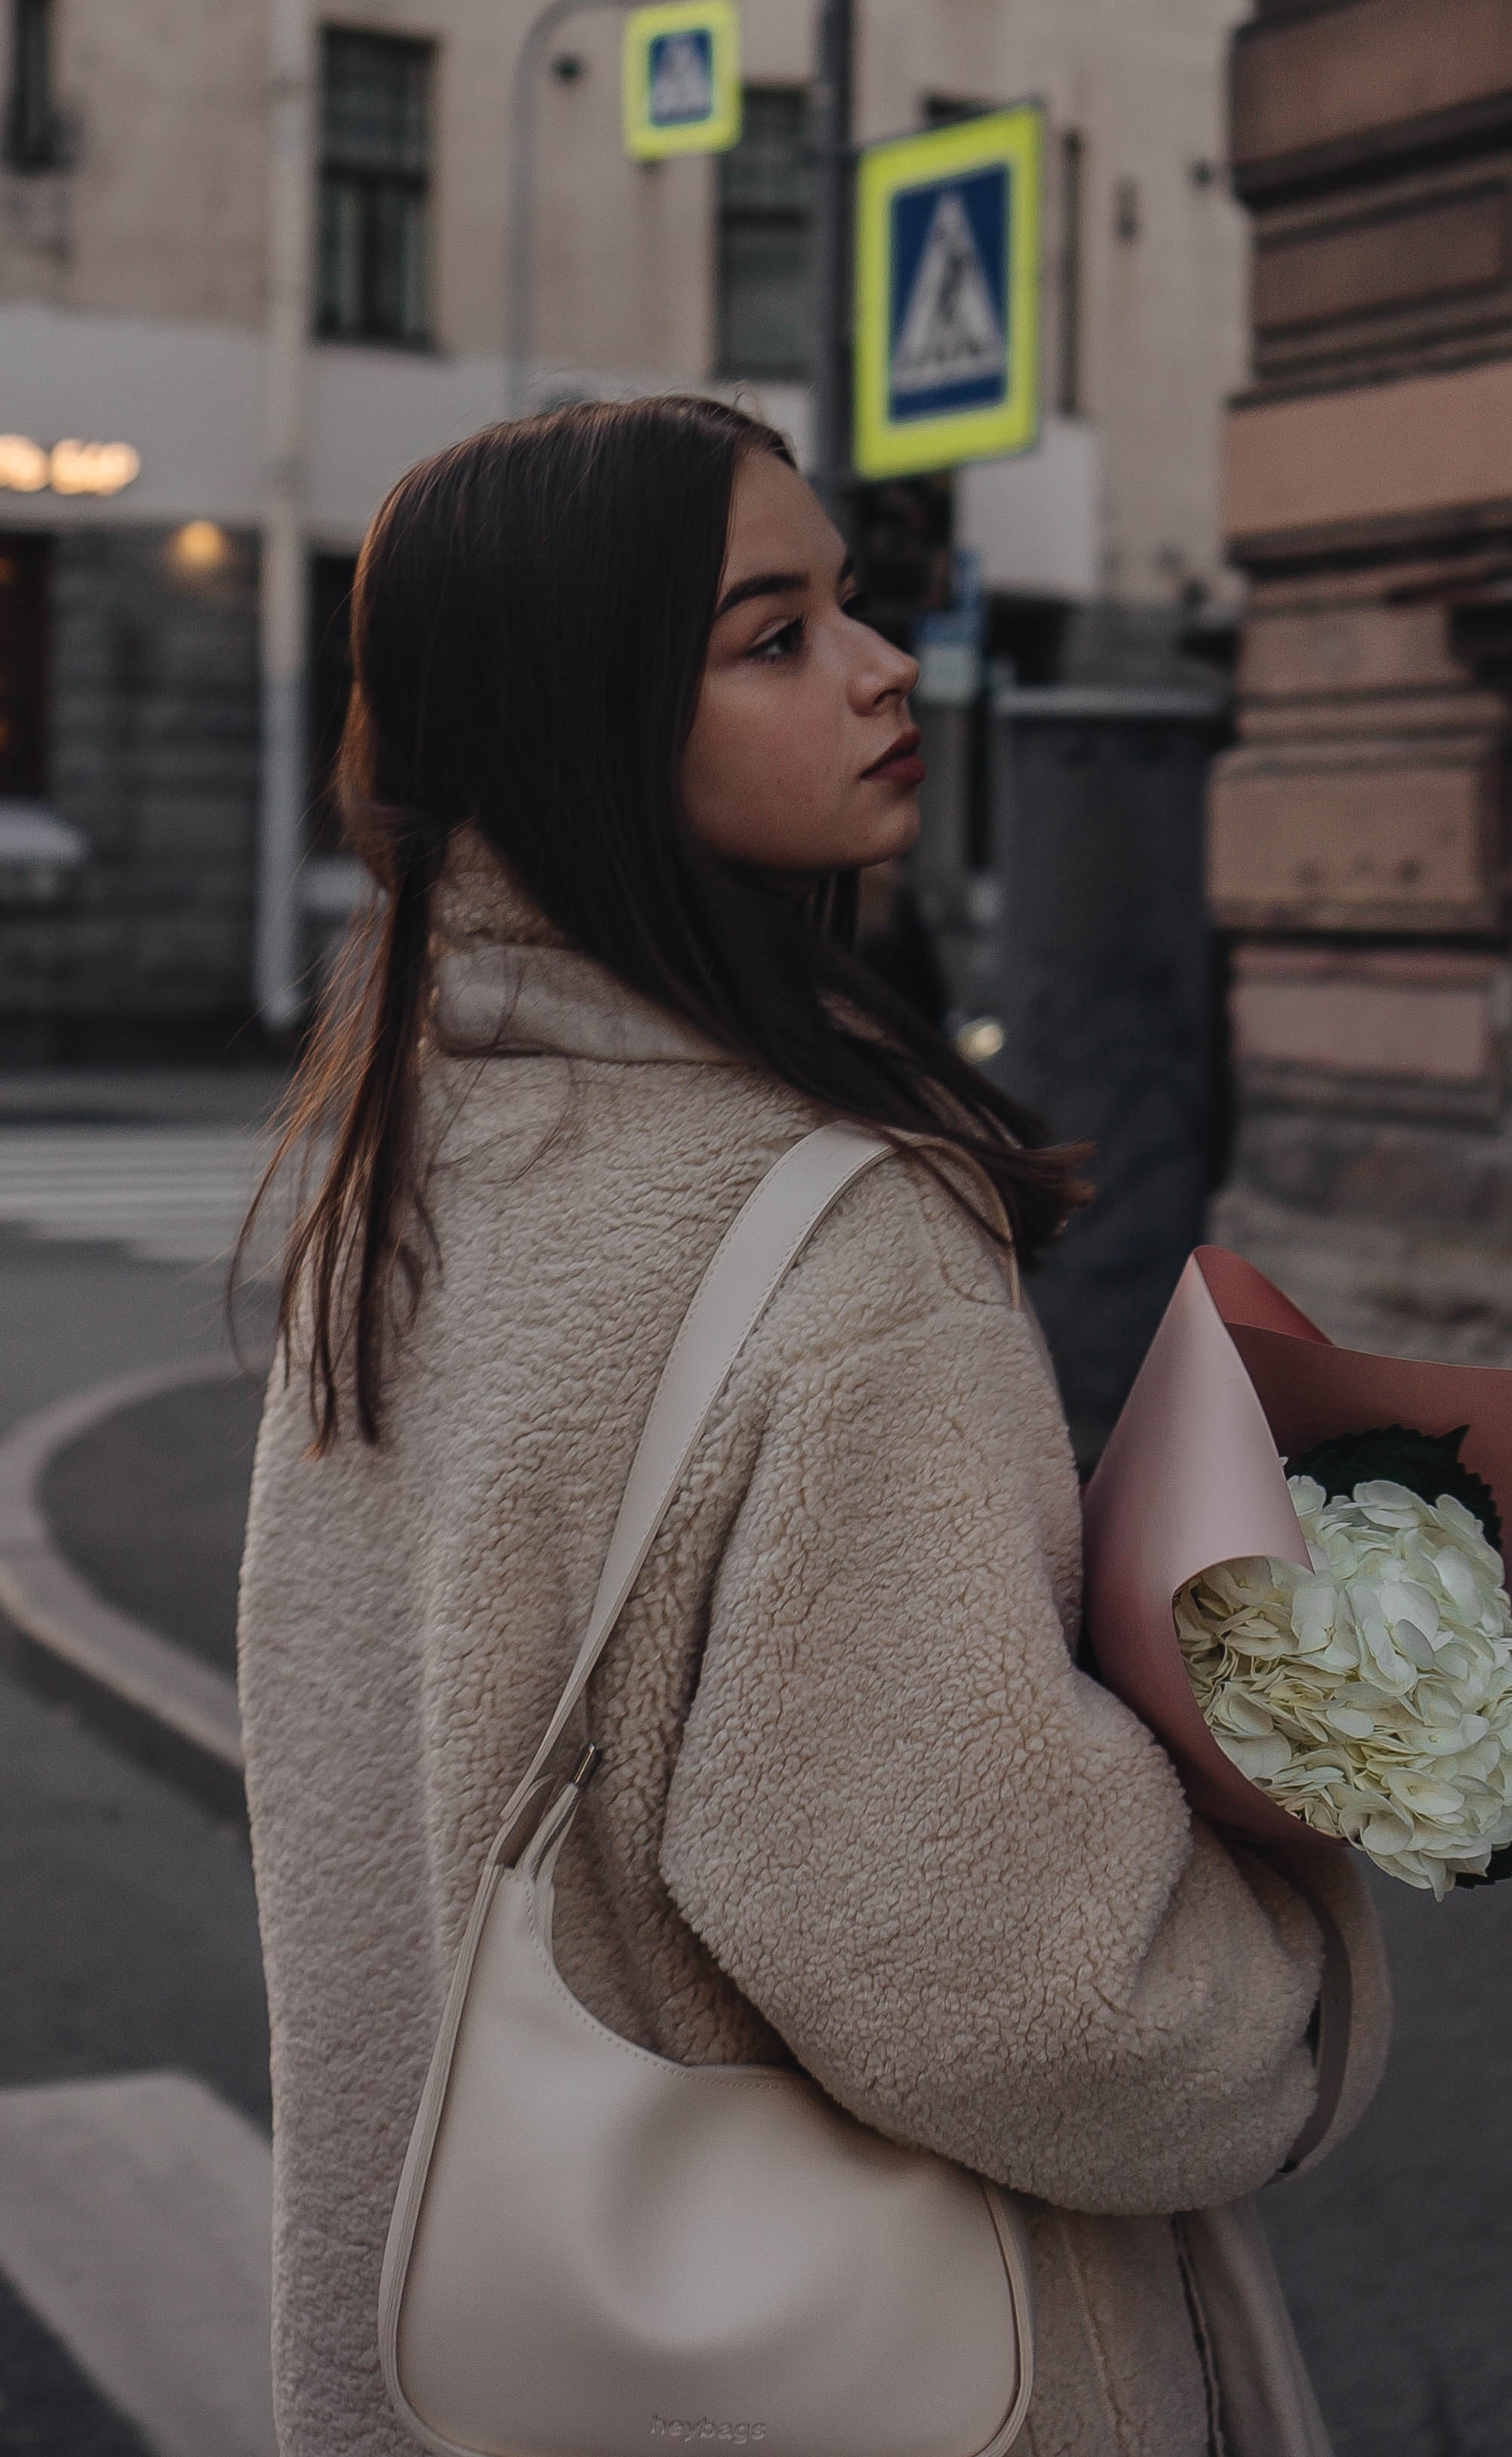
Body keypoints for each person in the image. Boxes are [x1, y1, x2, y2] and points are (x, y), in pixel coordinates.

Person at [238, 394, 1387, 2457]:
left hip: (468, 2350)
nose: (881, 669)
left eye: (856, 606)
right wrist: (1289, 1959)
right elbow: (1023, 1983)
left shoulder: (402, 1175)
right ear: (589, 722)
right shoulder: (844, 1247)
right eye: (772, 638)